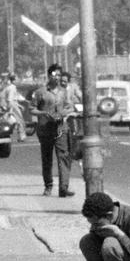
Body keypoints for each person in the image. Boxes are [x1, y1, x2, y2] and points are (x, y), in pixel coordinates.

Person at [30, 63, 76, 197]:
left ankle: (63, 188)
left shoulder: (64, 92)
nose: (57, 78)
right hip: (45, 129)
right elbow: (32, 109)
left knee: (64, 157)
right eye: (54, 75)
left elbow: (71, 107)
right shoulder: (40, 92)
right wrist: (43, 113)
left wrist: (63, 113)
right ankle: (48, 186)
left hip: (61, 128)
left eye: (59, 75)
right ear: (49, 75)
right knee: (47, 159)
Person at [0, 72, 24, 142]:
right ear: (14, 80)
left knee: (7, 121)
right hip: (11, 105)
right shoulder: (12, 88)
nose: (18, 80)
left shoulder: (9, 87)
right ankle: (21, 136)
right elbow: (10, 100)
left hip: (8, 105)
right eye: (17, 79)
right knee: (20, 121)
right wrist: (11, 109)